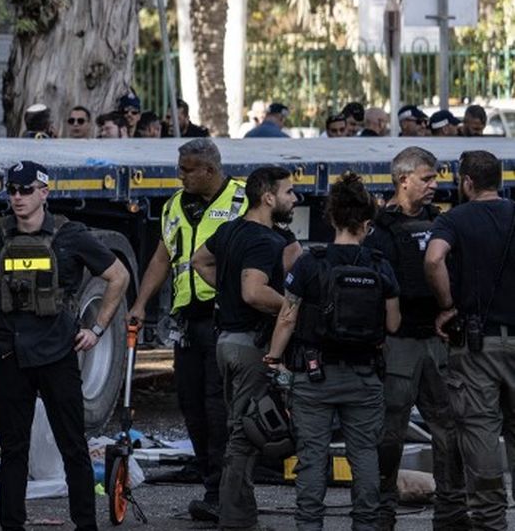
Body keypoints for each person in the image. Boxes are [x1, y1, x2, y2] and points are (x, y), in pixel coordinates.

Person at [0, 162, 127, 531]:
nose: (17, 197)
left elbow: (118, 276)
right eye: (12, 190)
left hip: (59, 354)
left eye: (26, 190)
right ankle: (11, 525)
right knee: (13, 450)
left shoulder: (70, 235)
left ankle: (85, 524)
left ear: (44, 192)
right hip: (12, 354)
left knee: (73, 447)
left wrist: (97, 328)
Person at [264, 173, 400, 531]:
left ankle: (309, 525)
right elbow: (394, 323)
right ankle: (366, 525)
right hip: (365, 376)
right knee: (365, 455)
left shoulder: (310, 263)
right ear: (366, 223)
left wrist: (274, 358)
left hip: (313, 375)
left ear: (332, 218)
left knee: (311, 457)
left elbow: (287, 317)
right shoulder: (379, 264)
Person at [127, 138, 245, 520]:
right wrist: (141, 303)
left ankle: (224, 492)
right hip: (188, 322)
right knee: (191, 405)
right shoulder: (175, 206)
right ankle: (212, 487)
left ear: (209, 170)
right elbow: (163, 257)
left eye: (187, 170)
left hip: (226, 319)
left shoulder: (241, 202)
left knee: (218, 406)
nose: (180, 176)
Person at [366, 147, 465, 531]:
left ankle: (452, 511)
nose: (434, 185)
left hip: (437, 340)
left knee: (448, 428)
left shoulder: (438, 223)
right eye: (427, 178)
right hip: (398, 343)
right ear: (403, 180)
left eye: (436, 178)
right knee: (390, 434)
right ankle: (382, 510)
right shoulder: (379, 228)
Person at [192, 166, 296, 531]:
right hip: (249, 346)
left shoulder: (229, 230)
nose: (293, 199)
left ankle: (239, 515)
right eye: (288, 192)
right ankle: (236, 520)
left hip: (226, 343)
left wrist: (224, 292)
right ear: (268, 197)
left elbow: (199, 261)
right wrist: (290, 309)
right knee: (246, 434)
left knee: (242, 428)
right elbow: (254, 291)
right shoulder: (263, 240)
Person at [425, 150, 515, 531]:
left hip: (477, 345)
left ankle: (490, 520)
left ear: (466, 182)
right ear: (500, 179)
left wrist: (446, 306)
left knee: (479, 430)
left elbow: (433, 259)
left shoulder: (454, 220)